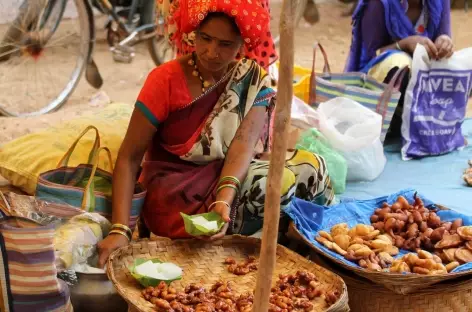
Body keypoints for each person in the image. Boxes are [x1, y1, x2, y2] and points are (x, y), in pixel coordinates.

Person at [97, 0, 335, 267]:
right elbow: (129, 158)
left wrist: (223, 200)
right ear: (193, 33)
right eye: (205, 38)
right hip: (174, 195)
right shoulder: (164, 80)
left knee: (314, 168)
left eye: (225, 44)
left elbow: (242, 147)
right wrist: (120, 229)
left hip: (224, 180)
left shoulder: (252, 81)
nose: (211, 52)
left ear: (242, 45)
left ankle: (293, 254)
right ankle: (248, 251)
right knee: (273, 185)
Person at [345, 0, 454, 138]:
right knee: (400, 62)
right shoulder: (378, 3)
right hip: (380, 85)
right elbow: (371, 56)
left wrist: (444, 41)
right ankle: (395, 122)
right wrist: (403, 44)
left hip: (424, 81)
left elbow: (443, 35)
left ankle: (428, 122)